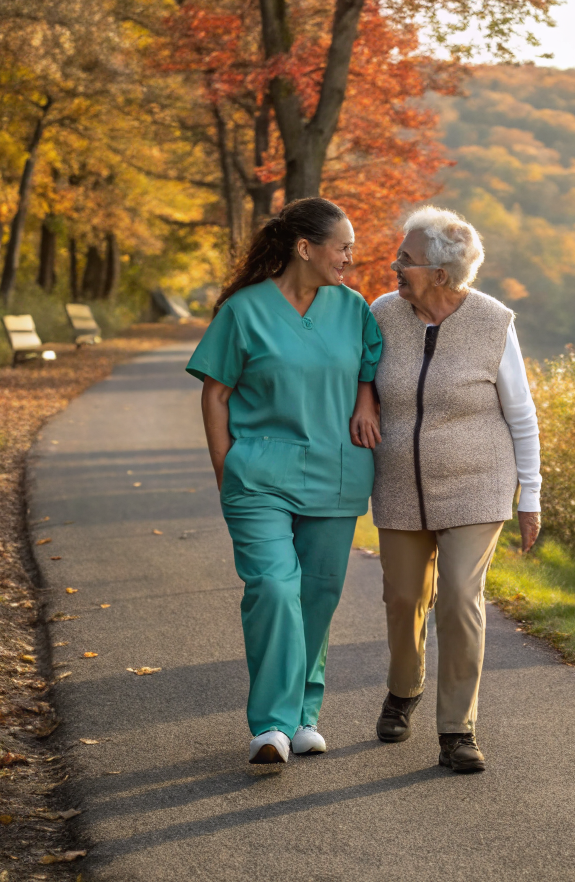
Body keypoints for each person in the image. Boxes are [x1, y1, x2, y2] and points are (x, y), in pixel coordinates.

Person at [187, 198, 383, 765]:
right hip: (259, 478)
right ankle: (271, 724)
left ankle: (304, 716)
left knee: (316, 597)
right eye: (342, 246)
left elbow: (370, 365)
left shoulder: (354, 309)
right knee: (274, 589)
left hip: (337, 471)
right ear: (305, 248)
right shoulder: (243, 311)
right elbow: (215, 392)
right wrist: (227, 470)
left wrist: (366, 399)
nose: (350, 256)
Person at [367, 207, 541, 773]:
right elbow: (359, 379)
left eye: (407, 259)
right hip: (398, 483)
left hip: (477, 485)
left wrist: (530, 495)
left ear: (440, 274)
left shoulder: (493, 322)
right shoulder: (383, 314)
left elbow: (521, 413)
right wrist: (365, 402)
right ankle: (404, 688)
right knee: (403, 599)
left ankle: (457, 729)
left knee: (461, 599)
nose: (396, 266)